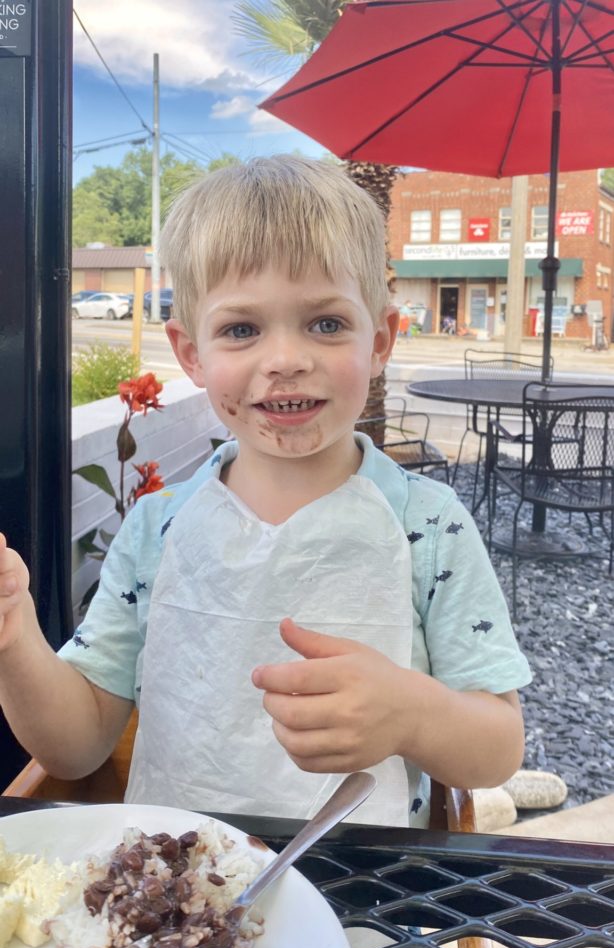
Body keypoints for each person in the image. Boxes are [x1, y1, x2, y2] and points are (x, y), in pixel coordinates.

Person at [0, 155, 530, 832]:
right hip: (173, 891)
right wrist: (14, 637)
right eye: (242, 330)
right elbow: (77, 746)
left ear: (382, 340)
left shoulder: (428, 524)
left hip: (367, 899)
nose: (284, 358)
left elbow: (496, 750)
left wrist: (415, 714)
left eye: (326, 323)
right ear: (191, 354)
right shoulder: (157, 527)